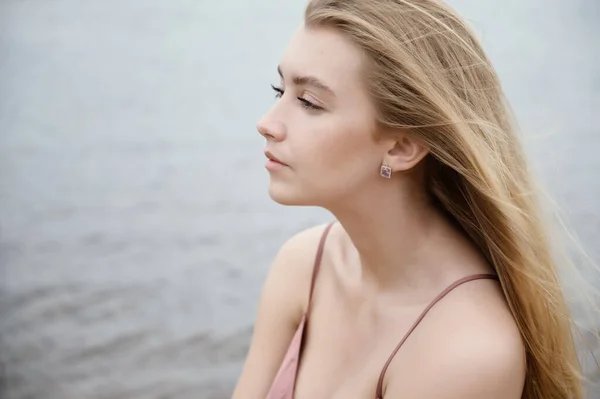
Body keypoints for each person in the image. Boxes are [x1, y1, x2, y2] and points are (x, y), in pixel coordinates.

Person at [232, 1, 585, 398]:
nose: (267, 123)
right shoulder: (301, 265)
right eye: (280, 89)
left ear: (401, 147)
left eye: (309, 102)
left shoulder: (466, 352)